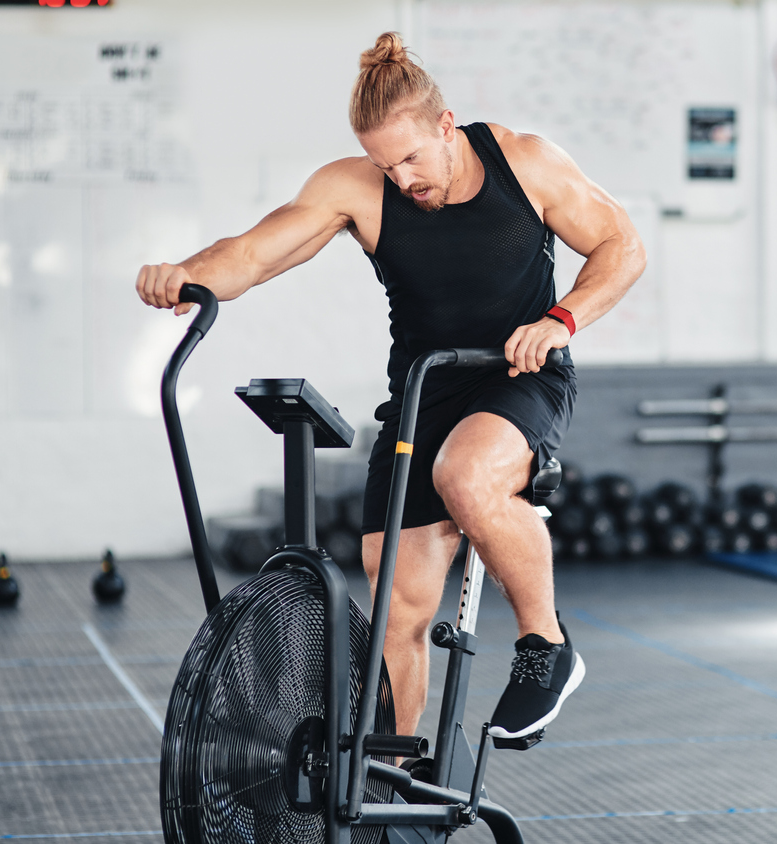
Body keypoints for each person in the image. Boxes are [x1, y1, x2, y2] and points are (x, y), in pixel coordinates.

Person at [136, 32, 645, 743]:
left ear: (446, 125)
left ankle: (546, 647)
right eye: (384, 164)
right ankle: (392, 776)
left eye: (411, 158)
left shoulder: (524, 162)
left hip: (519, 374)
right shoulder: (354, 188)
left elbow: (623, 246)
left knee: (466, 474)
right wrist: (184, 276)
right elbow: (251, 254)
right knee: (395, 611)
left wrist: (561, 320)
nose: (402, 179)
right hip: (421, 394)